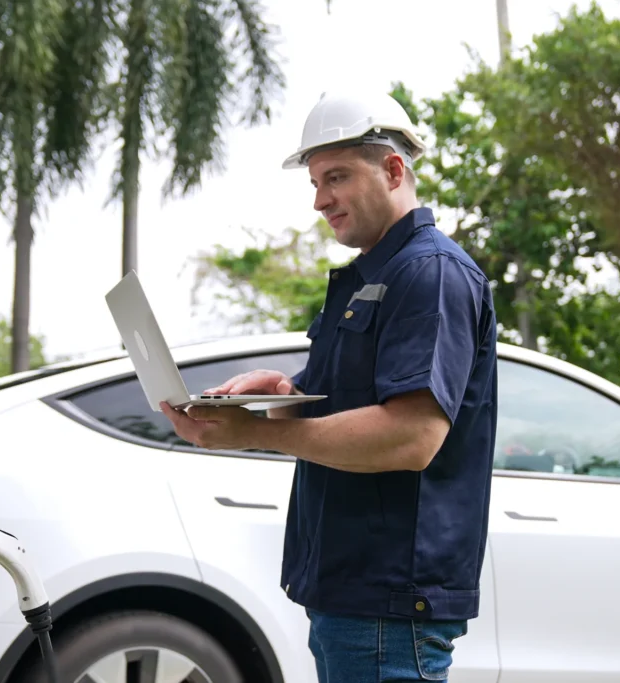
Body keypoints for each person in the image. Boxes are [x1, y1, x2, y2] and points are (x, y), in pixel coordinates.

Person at [161, 90, 498, 683]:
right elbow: (341, 408)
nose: (320, 200)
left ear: (394, 169)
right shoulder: (376, 276)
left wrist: (258, 435)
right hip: (355, 593)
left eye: (336, 177)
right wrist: (280, 392)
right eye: (315, 182)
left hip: (388, 601)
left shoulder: (430, 274)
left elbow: (410, 437)